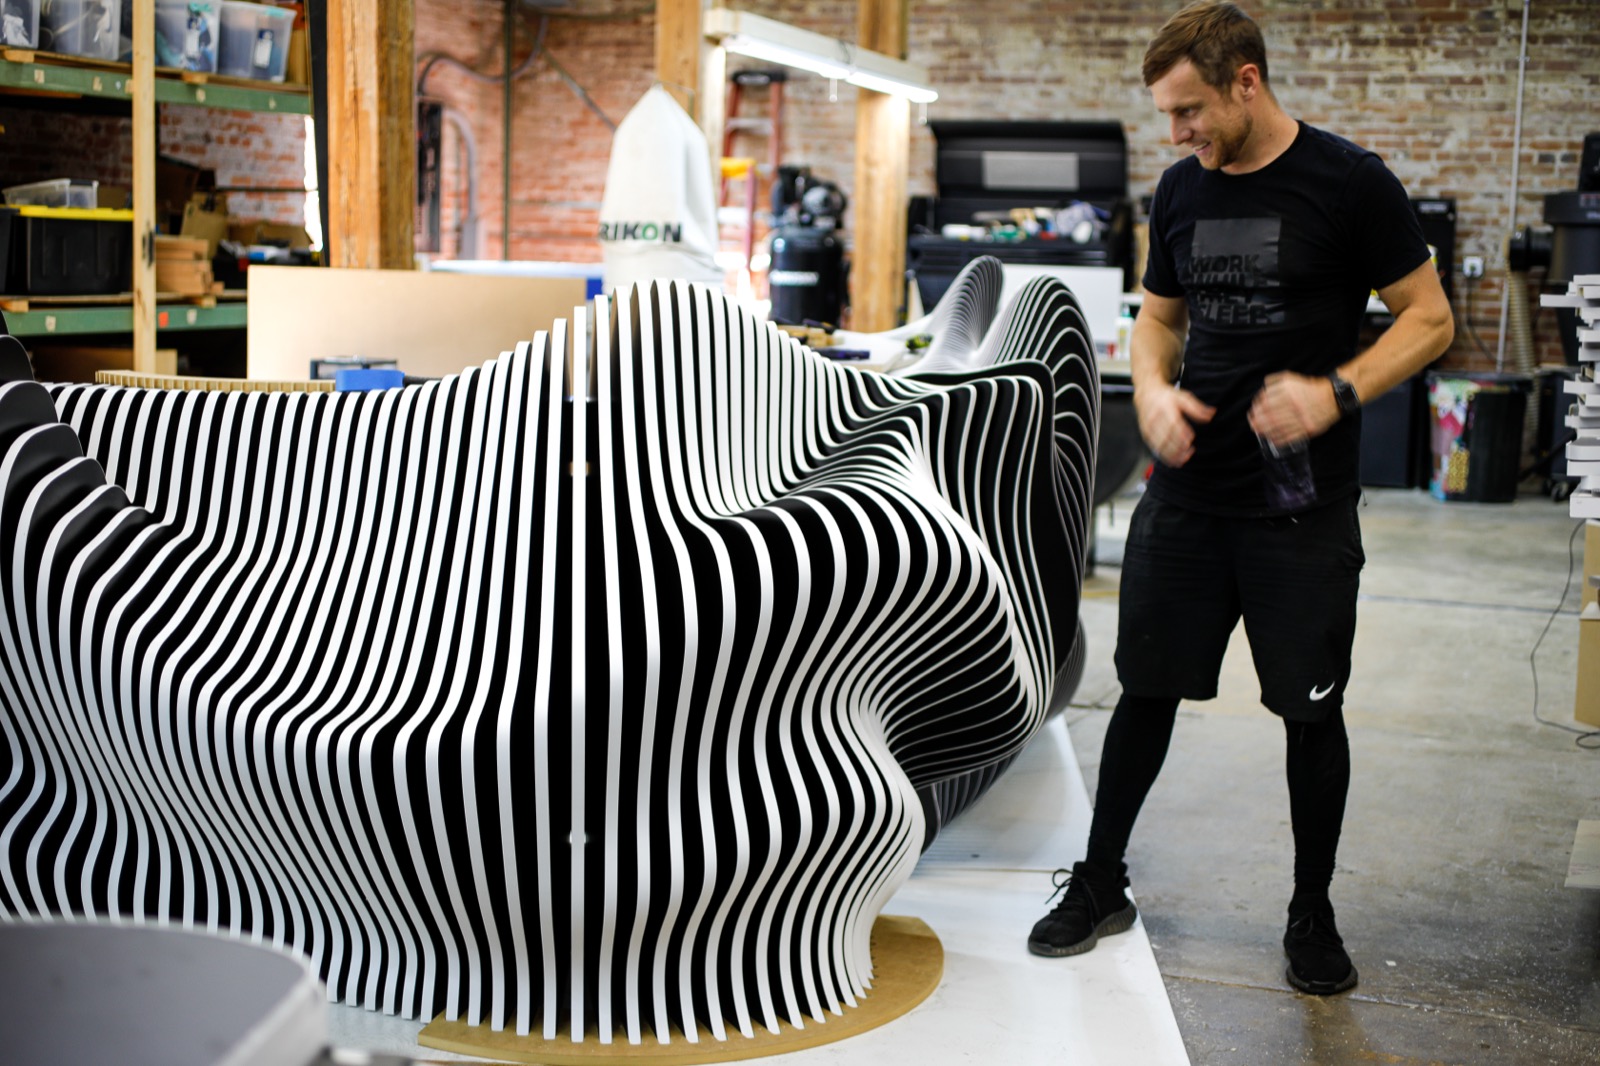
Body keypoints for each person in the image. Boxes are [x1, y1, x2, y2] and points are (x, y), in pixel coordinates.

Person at [1027, 1, 1453, 996]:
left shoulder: (1349, 183)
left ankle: (1310, 912)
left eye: (1189, 112)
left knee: (1310, 711)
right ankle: (1100, 879)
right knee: (1145, 690)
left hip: (1299, 507)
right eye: (1167, 119)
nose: (1177, 137)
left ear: (1245, 82)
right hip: (1188, 495)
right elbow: (1156, 319)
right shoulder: (1181, 190)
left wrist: (1335, 391)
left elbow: (1429, 320)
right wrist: (1151, 388)